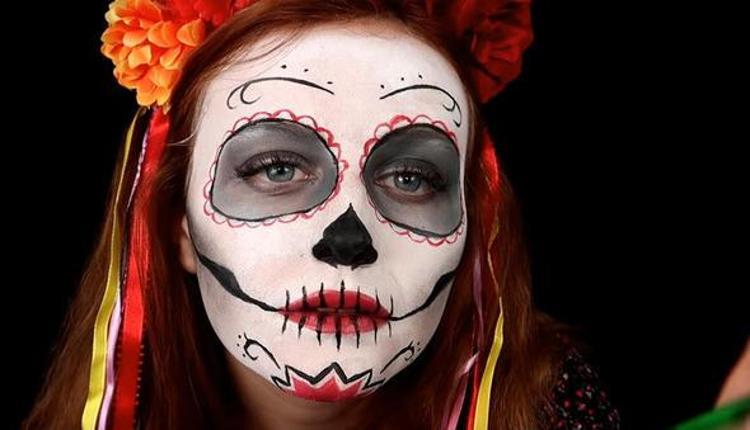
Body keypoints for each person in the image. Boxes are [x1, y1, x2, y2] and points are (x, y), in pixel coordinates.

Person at [24, 1, 621, 429]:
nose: (347, 240)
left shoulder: (548, 407)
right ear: (178, 226)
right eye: (277, 169)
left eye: (411, 178)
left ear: (473, 225)